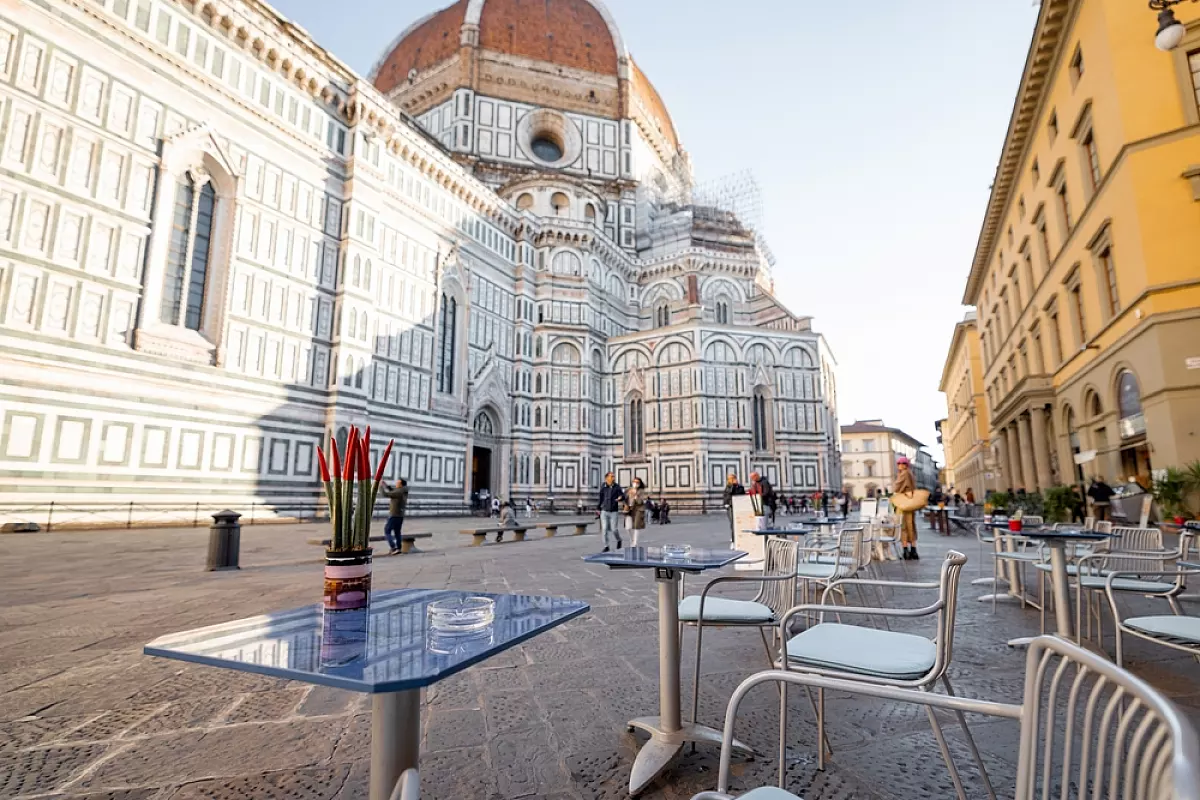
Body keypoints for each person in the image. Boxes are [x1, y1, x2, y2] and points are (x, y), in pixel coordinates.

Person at [893, 456, 919, 560]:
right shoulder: (911, 474)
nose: (899, 466)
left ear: (904, 465)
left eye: (900, 464)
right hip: (911, 502)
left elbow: (896, 487)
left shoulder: (903, 474)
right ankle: (914, 550)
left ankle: (905, 551)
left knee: (903, 526)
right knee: (911, 526)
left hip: (903, 503)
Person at [597, 472, 625, 552]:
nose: (613, 477)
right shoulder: (603, 486)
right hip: (604, 511)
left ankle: (619, 539)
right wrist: (598, 508)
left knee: (614, 529)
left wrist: (620, 498)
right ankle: (606, 546)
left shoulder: (617, 486)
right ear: (607, 478)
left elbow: (622, 495)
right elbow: (601, 497)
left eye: (613, 476)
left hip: (613, 511)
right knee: (604, 529)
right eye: (612, 476)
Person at [381, 478, 409, 555]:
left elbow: (385, 494)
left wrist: (380, 486)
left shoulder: (399, 492)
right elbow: (394, 491)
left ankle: (393, 548)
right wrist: (386, 486)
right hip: (400, 515)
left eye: (398, 482)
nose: (396, 483)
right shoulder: (403, 491)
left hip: (394, 514)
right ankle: (398, 548)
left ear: (401, 484)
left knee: (387, 530)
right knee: (397, 532)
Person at [722, 473, 745, 543]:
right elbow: (729, 493)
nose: (731, 480)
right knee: (732, 523)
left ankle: (739, 536)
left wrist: (736, 486)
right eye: (730, 479)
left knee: (739, 522)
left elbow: (741, 494)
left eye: (732, 478)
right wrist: (733, 485)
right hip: (730, 507)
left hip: (738, 506)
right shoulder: (728, 487)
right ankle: (733, 538)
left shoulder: (740, 487)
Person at [625, 477, 647, 546]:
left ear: (639, 484)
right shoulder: (629, 490)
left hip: (638, 509)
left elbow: (640, 502)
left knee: (636, 526)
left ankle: (635, 543)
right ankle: (631, 540)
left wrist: (636, 496)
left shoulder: (641, 491)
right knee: (628, 527)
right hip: (629, 509)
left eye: (637, 482)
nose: (635, 483)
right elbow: (625, 498)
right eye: (634, 482)